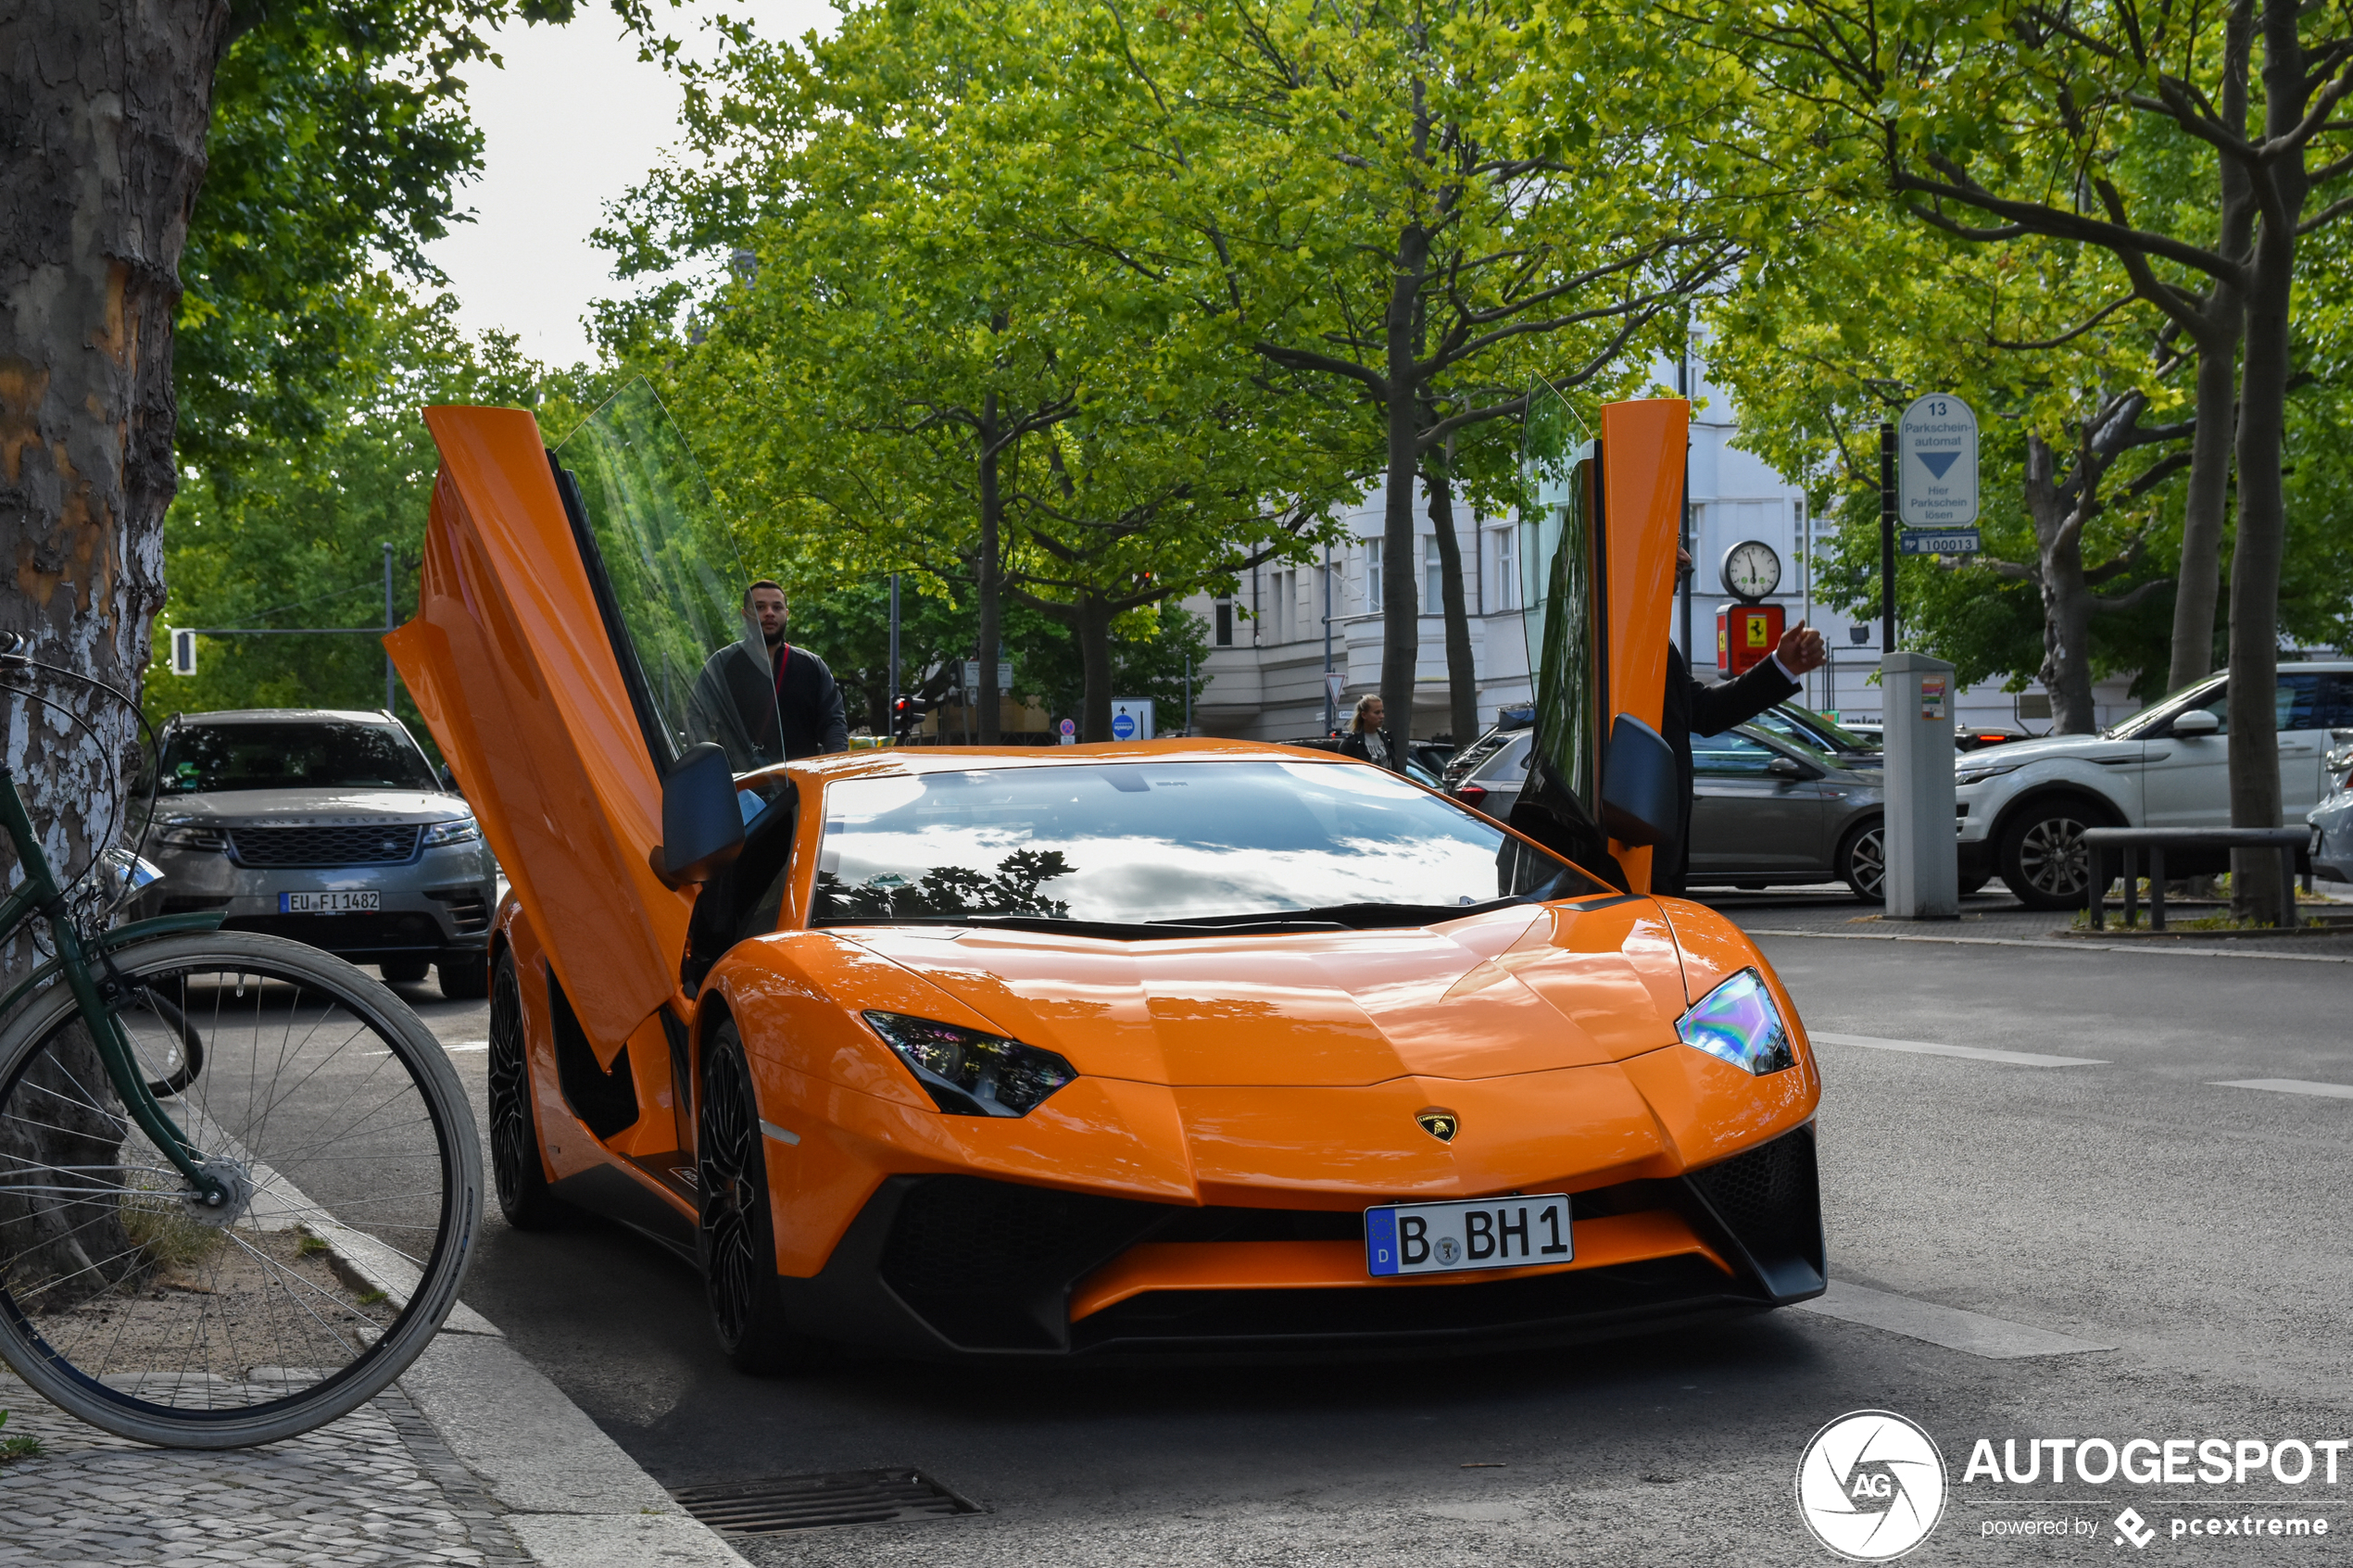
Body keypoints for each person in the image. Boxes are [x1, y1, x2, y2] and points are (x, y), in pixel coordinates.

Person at [1655, 545, 1827, 895]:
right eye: (1671, 540)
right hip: (1640, 855)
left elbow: (1704, 711)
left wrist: (1782, 666)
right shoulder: (1623, 637)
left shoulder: (1645, 639)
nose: (1686, 558)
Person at [686, 580, 849, 770]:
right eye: (760, 607)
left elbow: (834, 723)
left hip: (801, 785)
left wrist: (834, 769)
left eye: (777, 607)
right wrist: (710, 767)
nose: (769, 613)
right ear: (744, 614)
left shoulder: (812, 666)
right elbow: (695, 715)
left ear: (786, 614)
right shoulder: (723, 663)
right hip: (740, 786)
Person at [1337, 694, 1402, 771]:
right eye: (1377, 713)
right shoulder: (1351, 743)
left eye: (1382, 712)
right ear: (1364, 715)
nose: (1382, 716)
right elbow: (1344, 772)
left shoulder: (1387, 738)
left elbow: (1394, 768)